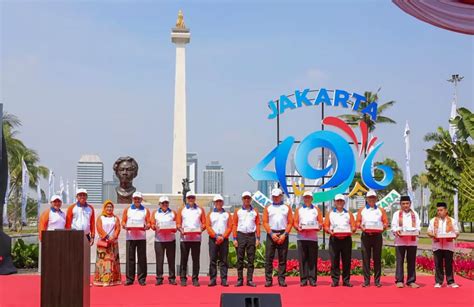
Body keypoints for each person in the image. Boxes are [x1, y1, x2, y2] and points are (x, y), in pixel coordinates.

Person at [356, 190, 388, 287]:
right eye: (370, 197)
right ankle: (366, 281)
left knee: (377, 258)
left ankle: (377, 281)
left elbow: (385, 222)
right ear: (366, 199)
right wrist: (361, 227)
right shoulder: (362, 210)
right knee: (366, 259)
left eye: (373, 197)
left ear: (376, 198)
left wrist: (383, 227)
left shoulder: (381, 210)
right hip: (366, 236)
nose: (371, 199)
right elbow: (358, 222)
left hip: (377, 236)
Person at [324, 194, 356, 287]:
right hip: (334, 239)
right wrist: (329, 231)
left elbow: (353, 225)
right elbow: (326, 225)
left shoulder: (348, 213)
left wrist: (353, 229)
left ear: (344, 202)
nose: (339, 203)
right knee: (334, 261)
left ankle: (346, 280)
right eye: (337, 201)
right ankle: (335, 280)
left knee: (346, 260)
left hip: (346, 239)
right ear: (334, 202)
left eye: (341, 201)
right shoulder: (330, 213)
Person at [263, 188, 293, 287]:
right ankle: (268, 280)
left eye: (277, 196)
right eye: (274, 196)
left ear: (281, 196)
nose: (276, 198)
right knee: (268, 258)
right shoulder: (268, 208)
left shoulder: (287, 208)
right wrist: (271, 234)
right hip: (271, 234)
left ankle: (281, 279)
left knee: (282, 258)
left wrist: (285, 234)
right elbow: (265, 222)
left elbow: (290, 222)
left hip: (283, 234)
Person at [176, 191, 206, 287]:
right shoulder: (182, 209)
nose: (191, 199)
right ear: (186, 199)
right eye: (189, 198)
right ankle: (183, 278)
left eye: (192, 198)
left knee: (195, 260)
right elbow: (178, 223)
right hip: (185, 238)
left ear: (195, 198)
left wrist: (201, 229)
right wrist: (180, 229)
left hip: (196, 239)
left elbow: (204, 223)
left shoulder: (200, 209)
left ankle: (195, 279)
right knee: (184, 259)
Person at [427, 202, 460, 288]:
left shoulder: (452, 221)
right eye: (438, 210)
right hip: (437, 246)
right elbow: (429, 232)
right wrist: (432, 235)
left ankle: (450, 282)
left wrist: (454, 235)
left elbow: (457, 232)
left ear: (446, 210)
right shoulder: (433, 220)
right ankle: (439, 282)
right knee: (438, 264)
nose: (439, 212)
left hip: (448, 246)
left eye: (441, 210)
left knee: (449, 264)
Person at [293, 191, 323, 287]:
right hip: (301, 238)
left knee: (312, 260)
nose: (307, 199)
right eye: (305, 197)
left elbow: (320, 222)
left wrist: (319, 226)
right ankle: (303, 279)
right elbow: (295, 222)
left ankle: (312, 279)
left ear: (312, 199)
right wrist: (298, 227)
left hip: (313, 238)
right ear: (303, 199)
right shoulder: (299, 210)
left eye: (309, 197)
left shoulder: (316, 209)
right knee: (302, 260)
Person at [391, 195, 421, 288]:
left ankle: (411, 281)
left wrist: (417, 231)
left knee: (411, 261)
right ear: (400, 204)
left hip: (412, 241)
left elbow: (418, 226)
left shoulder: (415, 214)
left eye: (407, 203)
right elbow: (393, 227)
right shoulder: (396, 214)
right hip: (400, 241)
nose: (405, 205)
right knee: (400, 261)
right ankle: (399, 280)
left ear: (410, 204)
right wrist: (397, 231)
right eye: (403, 204)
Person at [121, 191, 151, 286]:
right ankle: (130, 279)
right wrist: (124, 225)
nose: (137, 200)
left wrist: (147, 226)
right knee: (130, 258)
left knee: (142, 258)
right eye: (135, 199)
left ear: (141, 200)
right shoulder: (127, 209)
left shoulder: (145, 210)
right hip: (130, 237)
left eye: (138, 199)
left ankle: (142, 279)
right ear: (132, 199)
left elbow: (149, 222)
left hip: (141, 237)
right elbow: (123, 221)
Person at [233, 191, 260, 287]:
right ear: (242, 199)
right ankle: (240, 280)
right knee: (240, 258)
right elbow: (234, 224)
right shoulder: (238, 211)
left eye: (248, 198)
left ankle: (249, 280)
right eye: (245, 198)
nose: (247, 200)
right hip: (240, 235)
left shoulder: (255, 211)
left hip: (251, 236)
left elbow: (257, 225)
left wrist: (258, 238)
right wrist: (234, 238)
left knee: (251, 259)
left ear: (251, 199)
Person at [206, 194, 232, 287]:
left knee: (224, 260)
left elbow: (230, 227)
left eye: (220, 201)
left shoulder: (227, 214)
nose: (218, 203)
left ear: (223, 203)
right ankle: (213, 279)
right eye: (216, 202)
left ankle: (224, 279)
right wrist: (215, 236)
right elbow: (208, 226)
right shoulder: (210, 214)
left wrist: (223, 237)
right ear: (214, 203)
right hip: (213, 239)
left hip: (224, 239)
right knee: (213, 260)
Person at [150, 196, 178, 286]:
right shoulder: (155, 213)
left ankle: (172, 278)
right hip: (159, 239)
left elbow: (177, 224)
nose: (165, 204)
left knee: (171, 259)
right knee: (159, 260)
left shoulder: (173, 213)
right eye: (163, 203)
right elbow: (152, 224)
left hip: (171, 239)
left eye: (166, 203)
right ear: (159, 204)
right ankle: (159, 278)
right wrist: (155, 227)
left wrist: (174, 228)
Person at [93, 200, 121, 287]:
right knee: (102, 262)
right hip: (103, 243)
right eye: (107, 207)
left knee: (112, 261)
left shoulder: (115, 218)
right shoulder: (100, 217)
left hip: (113, 243)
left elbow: (118, 228)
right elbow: (99, 227)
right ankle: (101, 280)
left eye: (111, 207)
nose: (109, 208)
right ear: (104, 208)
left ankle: (113, 280)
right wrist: (106, 236)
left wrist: (114, 236)